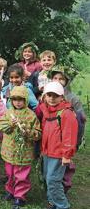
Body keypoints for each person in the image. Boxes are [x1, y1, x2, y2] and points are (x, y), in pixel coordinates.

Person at [0, 86, 41, 208]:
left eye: (20, 99)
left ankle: (20, 196)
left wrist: (28, 131)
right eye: (15, 99)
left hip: (24, 152)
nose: (17, 102)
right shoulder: (8, 112)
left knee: (21, 175)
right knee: (10, 173)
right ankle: (10, 191)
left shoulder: (31, 115)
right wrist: (10, 124)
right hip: (9, 150)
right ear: (11, 100)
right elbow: (0, 125)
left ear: (26, 100)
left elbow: (37, 133)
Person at [48, 65, 86, 193]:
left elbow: (80, 121)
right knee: (53, 166)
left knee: (65, 164)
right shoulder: (48, 96)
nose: (58, 81)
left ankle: (64, 185)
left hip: (67, 139)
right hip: (53, 140)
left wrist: (76, 141)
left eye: (61, 78)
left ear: (67, 81)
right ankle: (53, 187)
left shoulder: (73, 98)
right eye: (55, 78)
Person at [39, 82, 78, 209]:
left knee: (53, 181)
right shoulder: (45, 110)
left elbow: (70, 136)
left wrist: (67, 155)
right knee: (47, 178)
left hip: (59, 154)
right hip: (46, 152)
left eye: (55, 95)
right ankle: (52, 202)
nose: (51, 98)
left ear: (62, 96)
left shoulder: (66, 113)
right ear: (45, 96)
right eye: (49, 95)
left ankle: (62, 205)